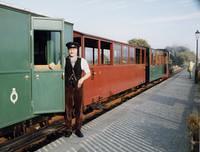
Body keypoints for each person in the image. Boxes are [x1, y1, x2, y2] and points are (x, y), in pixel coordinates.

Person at [64, 42, 91, 138]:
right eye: (70, 49)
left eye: (74, 49)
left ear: (77, 50)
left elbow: (88, 73)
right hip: (68, 87)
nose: (72, 51)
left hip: (78, 87)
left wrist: (82, 79)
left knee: (79, 109)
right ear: (68, 50)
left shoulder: (82, 60)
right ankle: (68, 129)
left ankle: (78, 129)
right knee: (68, 109)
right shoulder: (64, 60)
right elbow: (59, 70)